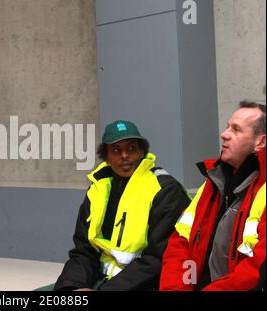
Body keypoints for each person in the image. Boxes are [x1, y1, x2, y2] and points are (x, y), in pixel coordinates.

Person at [54, 120, 191, 290]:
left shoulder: (166, 191)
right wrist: (72, 286)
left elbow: (158, 260)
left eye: (131, 148)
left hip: (145, 284)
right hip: (103, 279)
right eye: (116, 150)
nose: (124, 155)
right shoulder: (98, 189)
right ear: (107, 157)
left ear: (142, 151)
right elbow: (84, 250)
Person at [160, 101, 266, 291]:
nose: (224, 134)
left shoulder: (263, 191)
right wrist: (178, 288)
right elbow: (181, 243)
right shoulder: (212, 183)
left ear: (260, 142)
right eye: (227, 127)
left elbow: (255, 270)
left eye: (236, 130)